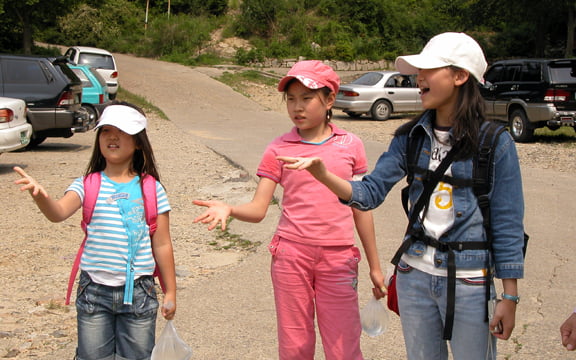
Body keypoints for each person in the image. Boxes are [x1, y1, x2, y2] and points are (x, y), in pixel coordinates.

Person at [278, 33, 525, 360]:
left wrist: (510, 297)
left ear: (460, 76)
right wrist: (323, 174)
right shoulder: (410, 138)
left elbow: (507, 224)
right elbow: (368, 193)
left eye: (429, 70)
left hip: (470, 283)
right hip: (414, 278)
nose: (418, 77)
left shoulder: (496, 143)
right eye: (417, 71)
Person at [193, 60, 386, 360]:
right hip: (291, 256)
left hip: (338, 258)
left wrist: (375, 265)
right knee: (295, 345)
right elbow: (259, 209)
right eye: (291, 99)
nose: (297, 107)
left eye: (307, 98)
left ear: (330, 99)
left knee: (344, 345)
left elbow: (361, 207)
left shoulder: (350, 145)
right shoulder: (278, 148)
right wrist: (229, 208)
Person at [14, 102, 177, 360]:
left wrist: (171, 291)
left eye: (121, 130)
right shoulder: (87, 184)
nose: (112, 136)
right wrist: (40, 197)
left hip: (140, 291)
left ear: (137, 141)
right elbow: (57, 213)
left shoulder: (152, 188)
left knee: (137, 357)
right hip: (93, 292)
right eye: (105, 130)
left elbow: (162, 244)